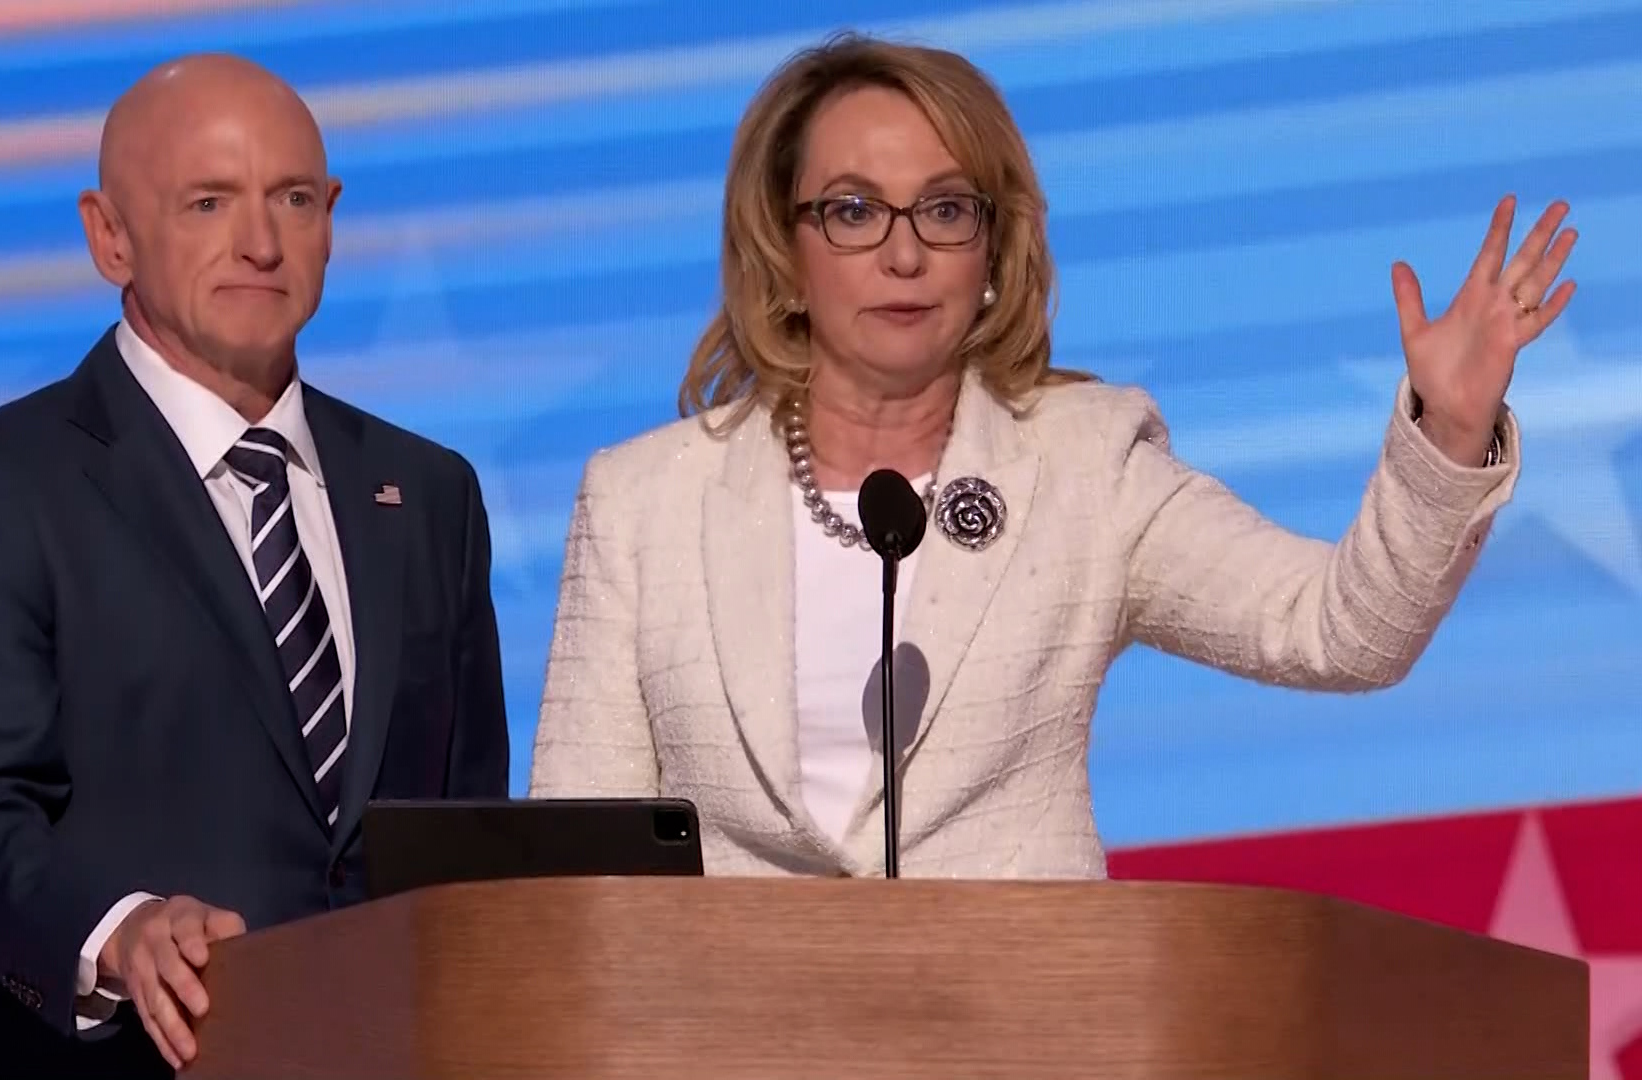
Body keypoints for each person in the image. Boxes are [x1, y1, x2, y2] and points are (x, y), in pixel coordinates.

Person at [528, 34, 1574, 880]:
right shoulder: (643, 503)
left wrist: (1446, 430)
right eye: (852, 210)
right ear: (783, 251)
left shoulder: (1084, 468)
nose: (902, 252)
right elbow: (572, 883)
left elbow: (1339, 633)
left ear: (992, 252)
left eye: (943, 209)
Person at [0, 54, 509, 1079]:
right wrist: (117, 932)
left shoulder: (428, 493)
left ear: (332, 216)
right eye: (208, 202)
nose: (259, 243)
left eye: (293, 199)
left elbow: (466, 841)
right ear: (108, 234)